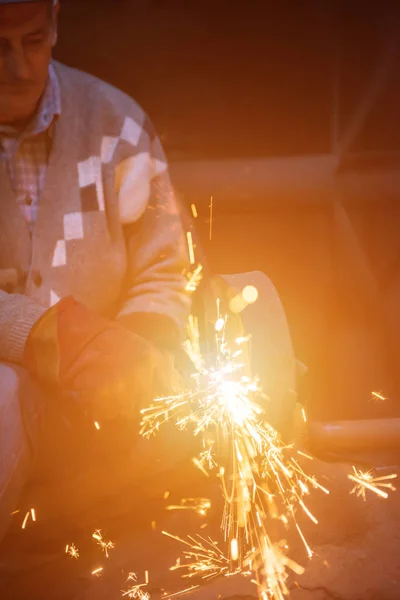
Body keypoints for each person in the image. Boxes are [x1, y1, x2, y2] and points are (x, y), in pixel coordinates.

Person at [0, 0, 192, 542]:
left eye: (33, 41)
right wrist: (41, 334)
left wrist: (136, 349)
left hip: (96, 416)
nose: (18, 67)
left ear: (56, 22)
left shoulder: (119, 128)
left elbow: (164, 270)